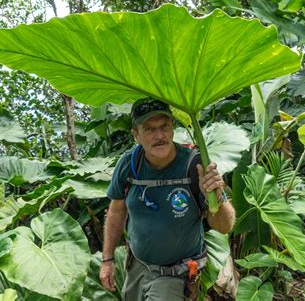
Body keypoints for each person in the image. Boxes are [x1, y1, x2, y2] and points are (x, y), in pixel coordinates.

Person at [99, 97, 235, 300]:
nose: (159, 135)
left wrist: (216, 198)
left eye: (164, 126)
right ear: (135, 135)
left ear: (173, 128)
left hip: (175, 275)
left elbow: (224, 226)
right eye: (149, 129)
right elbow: (117, 211)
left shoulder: (195, 164)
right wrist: (108, 259)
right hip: (137, 266)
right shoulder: (129, 164)